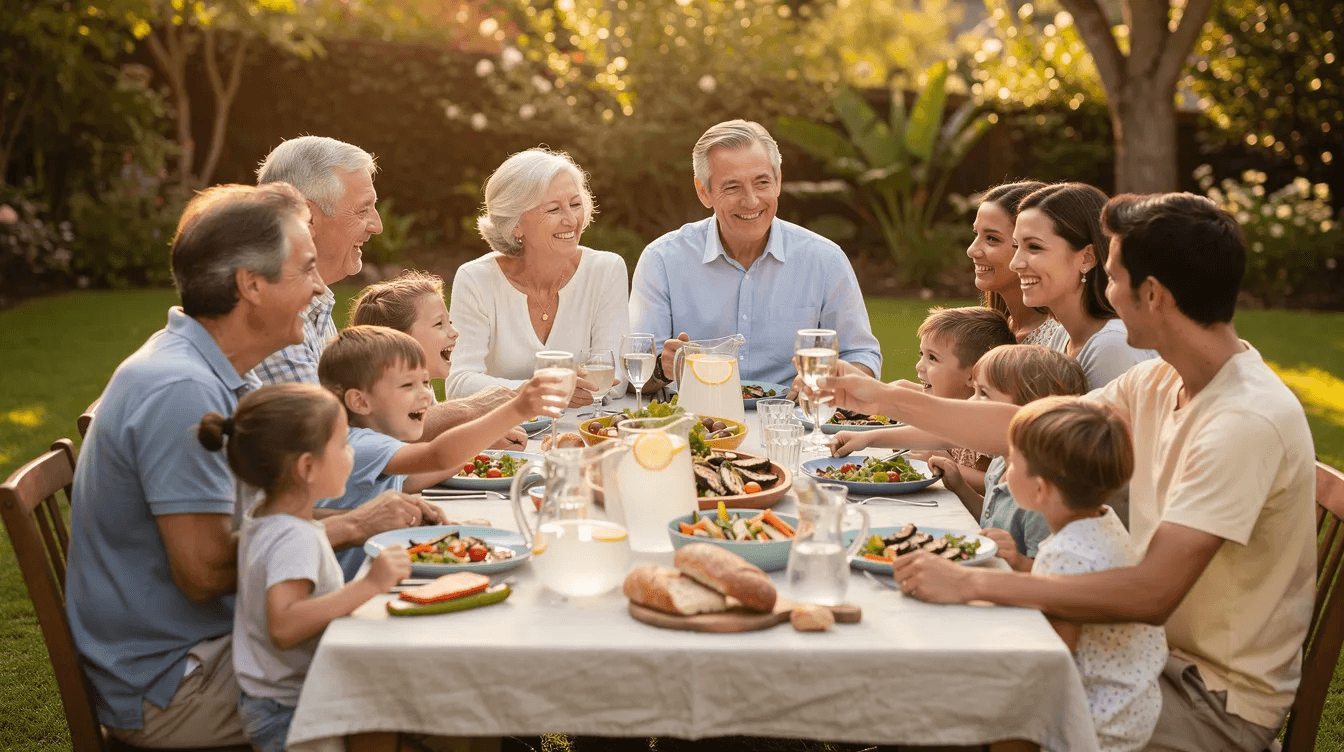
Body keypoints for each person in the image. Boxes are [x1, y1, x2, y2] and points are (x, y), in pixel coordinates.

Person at [822, 192, 1316, 751]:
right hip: (1134, 653)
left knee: (952, 704)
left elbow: (1151, 593)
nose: (1107, 292)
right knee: (923, 685)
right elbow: (1027, 428)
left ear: (1151, 294)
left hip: (1202, 695)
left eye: (1113, 276)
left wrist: (971, 581)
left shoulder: (1243, 420)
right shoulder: (1158, 381)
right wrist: (886, 398)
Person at [65, 183, 439, 747]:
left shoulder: (202, 368)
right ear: (252, 285)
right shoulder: (182, 390)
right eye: (306, 269)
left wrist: (355, 525)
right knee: (398, 674)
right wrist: (351, 526)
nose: (319, 290)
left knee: (403, 633)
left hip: (207, 644)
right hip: (174, 679)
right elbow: (205, 574)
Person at [252, 135, 524, 447]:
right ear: (309, 218)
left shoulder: (316, 303)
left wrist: (466, 431)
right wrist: (467, 411)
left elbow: (356, 426)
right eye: (363, 209)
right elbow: (325, 443)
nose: (377, 225)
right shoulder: (275, 317)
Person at [197, 384, 413, 752]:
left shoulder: (268, 517)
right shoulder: (292, 537)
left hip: (277, 697)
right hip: (289, 711)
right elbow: (284, 624)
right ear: (308, 467)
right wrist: (369, 585)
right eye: (344, 444)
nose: (351, 453)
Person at [629, 119, 882, 390]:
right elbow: (634, 375)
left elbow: (861, 356)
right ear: (704, 192)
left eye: (762, 182)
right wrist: (661, 369)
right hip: (692, 422)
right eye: (732, 187)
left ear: (778, 181)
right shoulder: (662, 260)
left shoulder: (825, 260)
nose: (751, 201)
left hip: (793, 421)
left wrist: (829, 382)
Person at [317, 325, 565, 578]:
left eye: (425, 382)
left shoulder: (377, 443)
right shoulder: (359, 444)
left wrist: (480, 444)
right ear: (360, 402)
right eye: (407, 385)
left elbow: (416, 477)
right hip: (342, 589)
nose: (425, 394)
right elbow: (439, 455)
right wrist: (518, 408)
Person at [1003, 397, 1167, 752]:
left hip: (1095, 726)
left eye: (1012, 460)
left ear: (1040, 489)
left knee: (994, 712)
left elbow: (1052, 664)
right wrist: (1018, 565)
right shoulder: (1103, 521)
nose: (1005, 464)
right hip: (1131, 705)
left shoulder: (1066, 555)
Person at [446, 147, 628, 403]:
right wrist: (543, 391)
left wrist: (568, 390)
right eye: (553, 209)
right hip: (504, 436)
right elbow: (460, 383)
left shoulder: (606, 270)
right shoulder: (476, 279)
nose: (571, 220)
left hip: (584, 430)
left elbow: (615, 378)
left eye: (575, 205)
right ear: (515, 224)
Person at [934, 344, 1089, 568]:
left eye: (984, 394)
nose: (970, 403)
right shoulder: (1001, 462)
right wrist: (960, 486)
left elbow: (1050, 574)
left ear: (1030, 410)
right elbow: (993, 521)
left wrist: (1017, 560)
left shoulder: (1042, 494)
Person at [832, 306, 1014, 490]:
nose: (919, 366)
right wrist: (867, 438)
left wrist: (946, 466)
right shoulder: (962, 412)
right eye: (922, 355)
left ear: (973, 375)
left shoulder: (986, 418)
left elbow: (993, 485)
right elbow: (936, 433)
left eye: (933, 358)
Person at [1011, 183, 1155, 388]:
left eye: (1034, 247)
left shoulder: (1111, 345)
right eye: (1016, 246)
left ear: (1087, 257)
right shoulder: (1063, 335)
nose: (1015, 263)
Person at [968, 180, 1062, 345]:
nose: (972, 250)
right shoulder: (994, 330)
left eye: (991, 238)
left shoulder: (1059, 338)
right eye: (976, 234)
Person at [350, 270, 459, 392]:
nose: (455, 333)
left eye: (449, 323)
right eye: (439, 323)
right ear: (397, 338)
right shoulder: (391, 407)